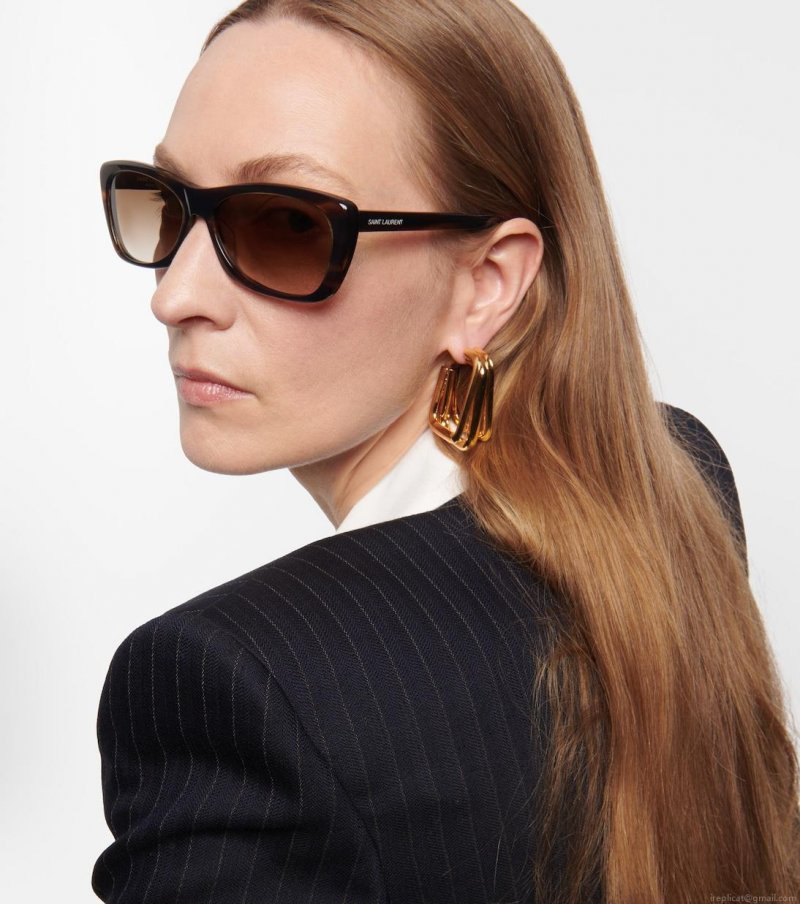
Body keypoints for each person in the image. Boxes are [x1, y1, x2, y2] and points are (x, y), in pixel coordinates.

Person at [92, 1, 800, 902]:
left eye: (287, 224)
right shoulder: (671, 474)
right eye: (167, 203)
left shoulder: (238, 686)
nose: (176, 295)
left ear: (487, 284)